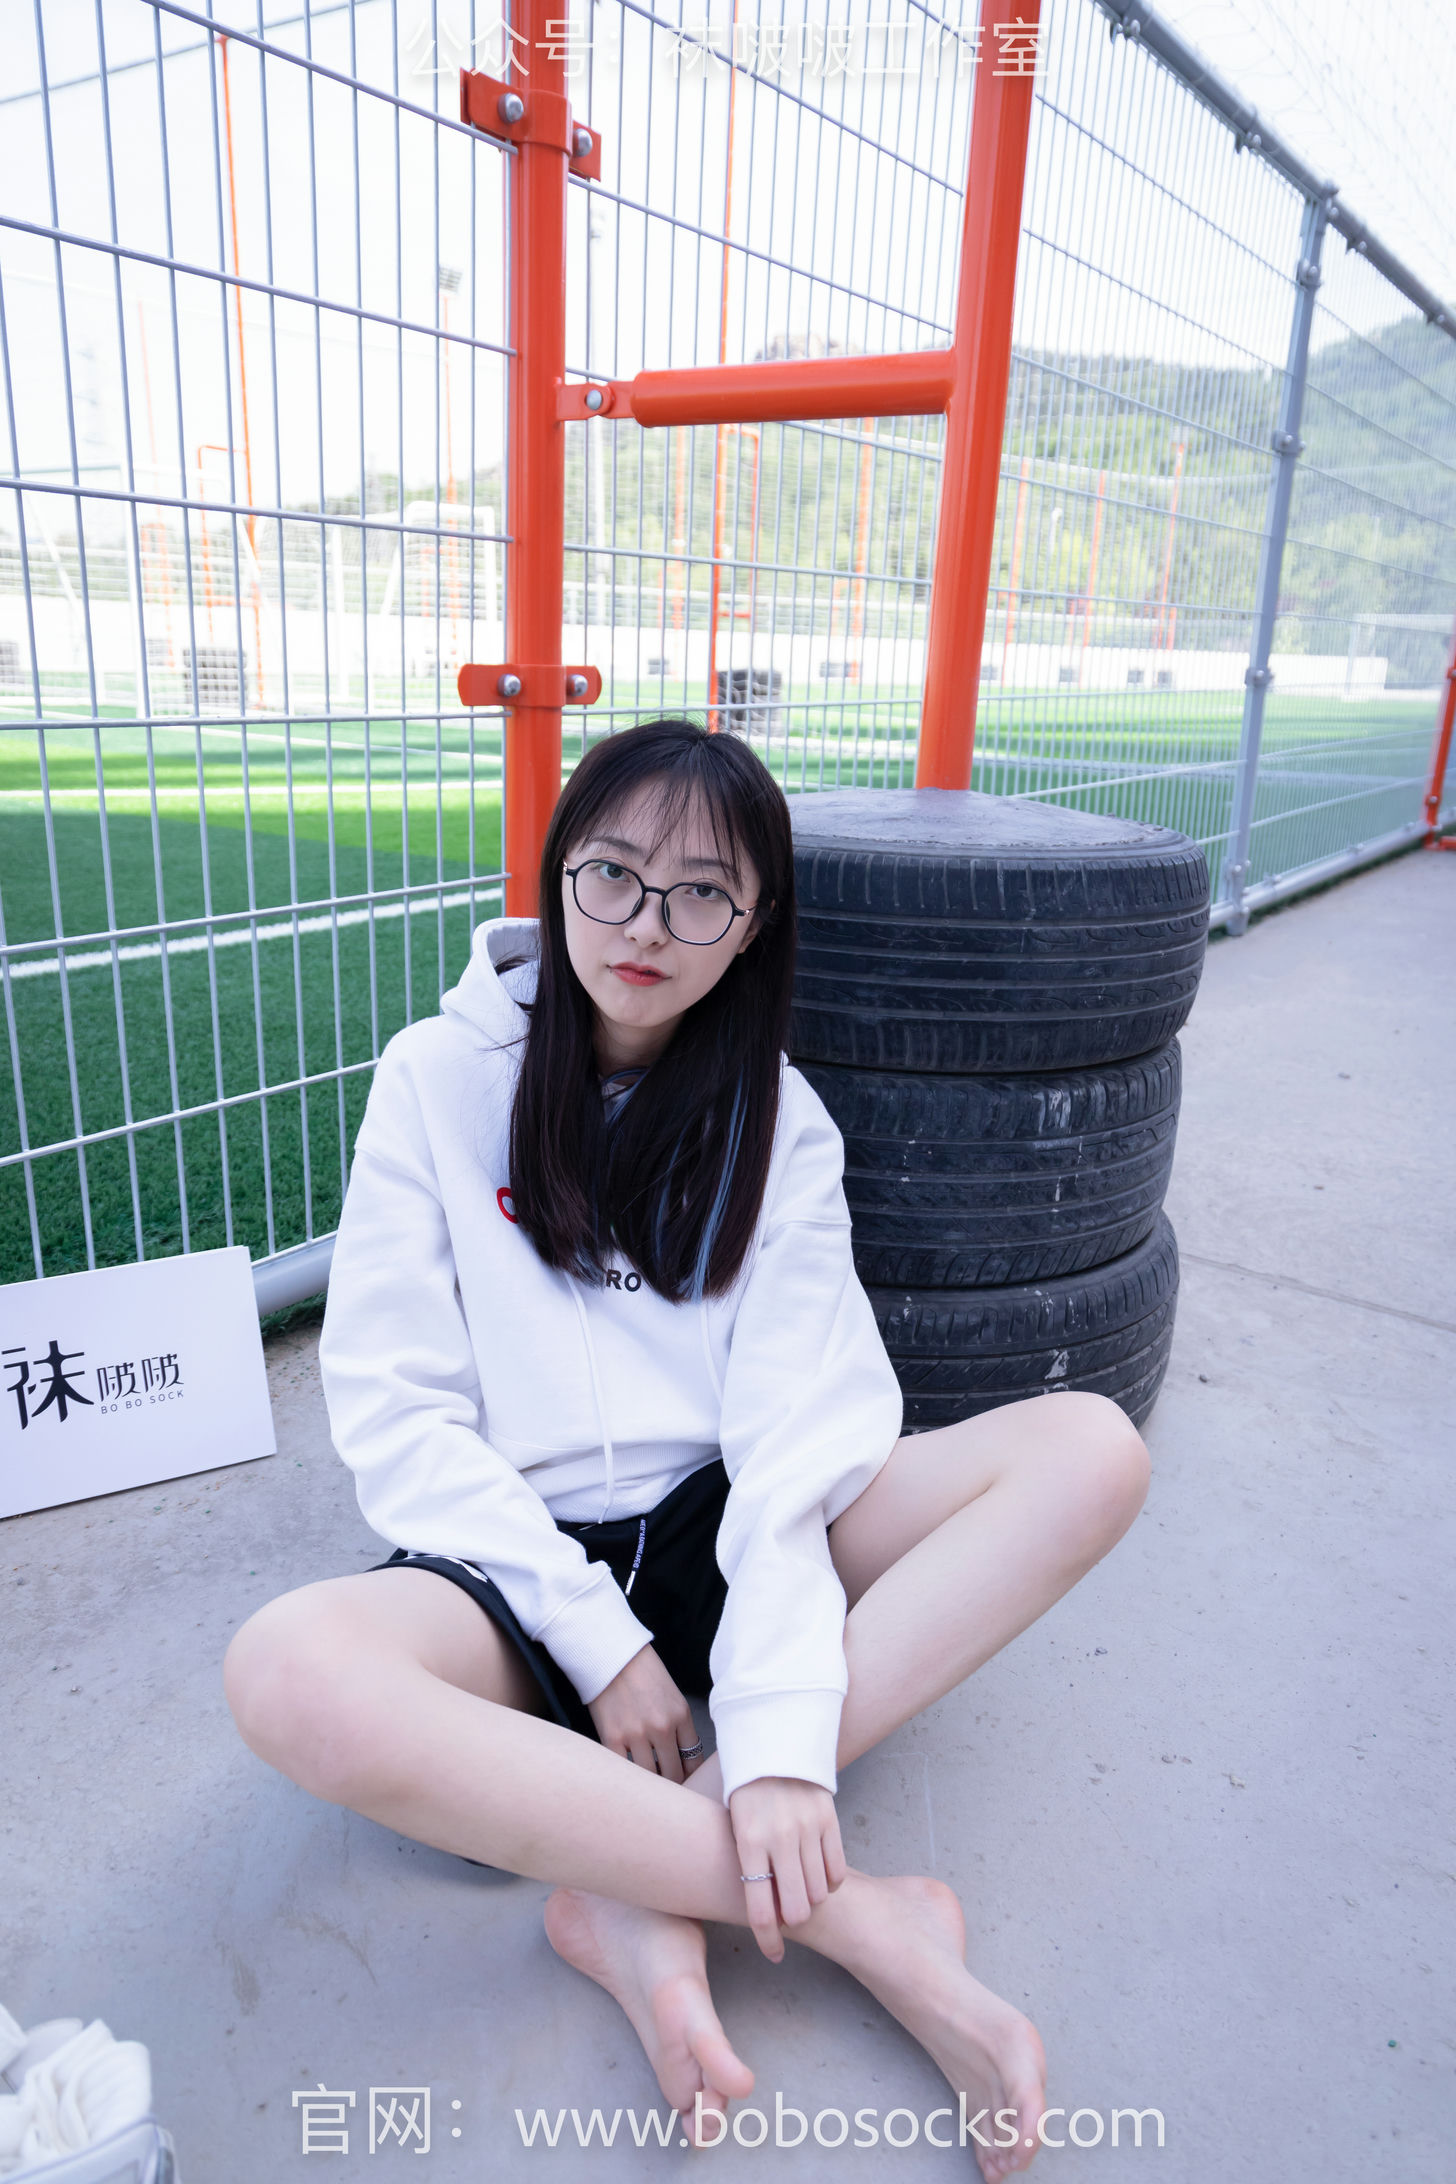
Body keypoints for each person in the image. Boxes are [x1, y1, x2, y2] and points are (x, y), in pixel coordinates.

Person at [224, 718, 1149, 2181]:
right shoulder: (436, 1077)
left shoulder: (782, 1123)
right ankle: (863, 1923)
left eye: (702, 892)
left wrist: (772, 1733)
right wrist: (595, 1641)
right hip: (518, 1567)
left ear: (755, 924)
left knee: (1090, 1448)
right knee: (288, 1670)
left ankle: (639, 1887)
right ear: (558, 872)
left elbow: (796, 1440)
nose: (647, 925)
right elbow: (399, 1411)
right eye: (613, 874)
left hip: (732, 1533)